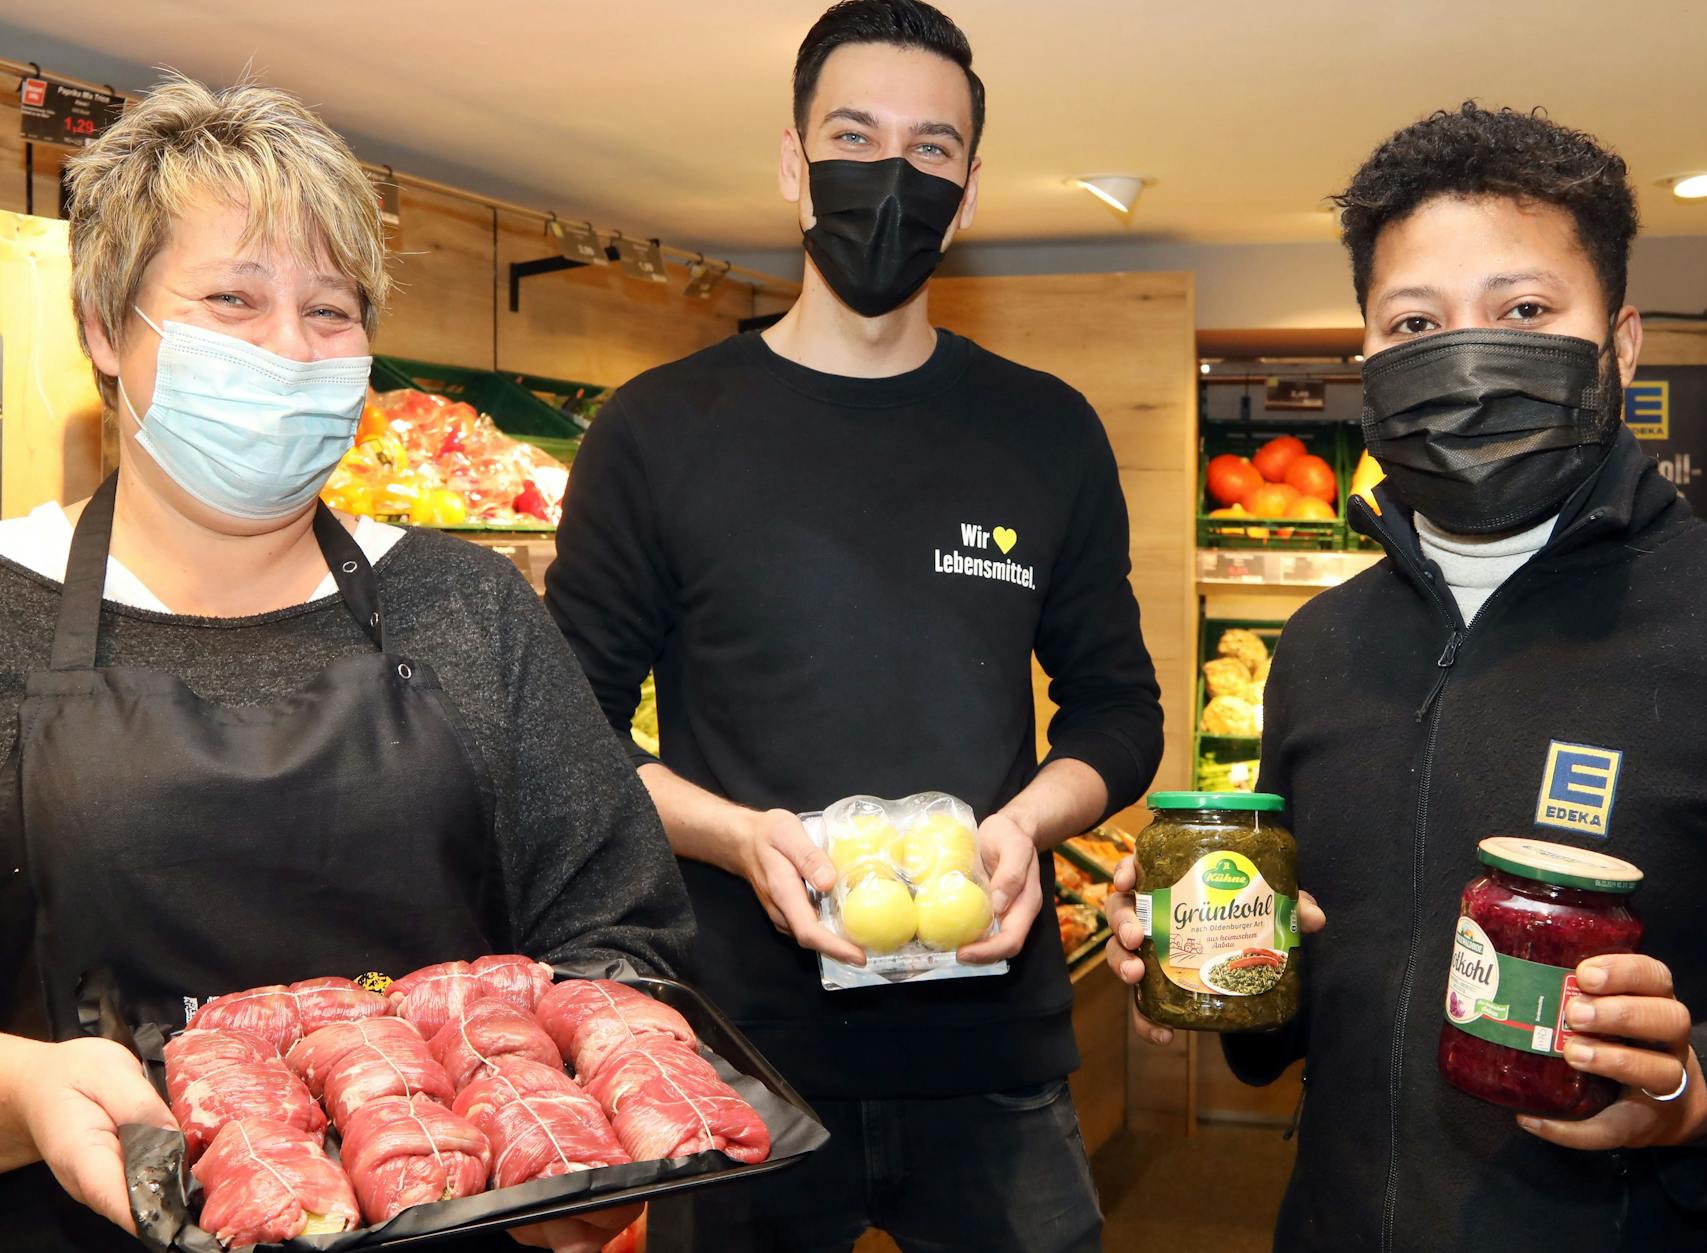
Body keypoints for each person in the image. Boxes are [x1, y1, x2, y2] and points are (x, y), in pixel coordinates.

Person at [1105, 103, 1707, 1251]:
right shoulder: (1317, 648)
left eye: (1521, 311)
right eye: (1413, 322)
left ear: (1615, 345)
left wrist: (1697, 1086)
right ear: (1367, 354)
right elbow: (1296, 1026)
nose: (1464, 359)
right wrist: (1213, 953)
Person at [0, 76, 693, 1253]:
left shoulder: (463, 604)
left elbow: (616, 926)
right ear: (105, 330)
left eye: (330, 311)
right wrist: (16, 1091)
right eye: (233, 298)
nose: (288, 349)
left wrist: (586, 1146)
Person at [546, 2, 1162, 1248]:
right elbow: (567, 735)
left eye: (931, 149)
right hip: (739, 1051)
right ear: (792, 162)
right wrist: (738, 839)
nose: (893, 176)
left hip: (992, 1045)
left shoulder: (1044, 429)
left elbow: (1120, 708)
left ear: (970, 187)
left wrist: (1027, 824)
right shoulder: (658, 431)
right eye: (853, 134)